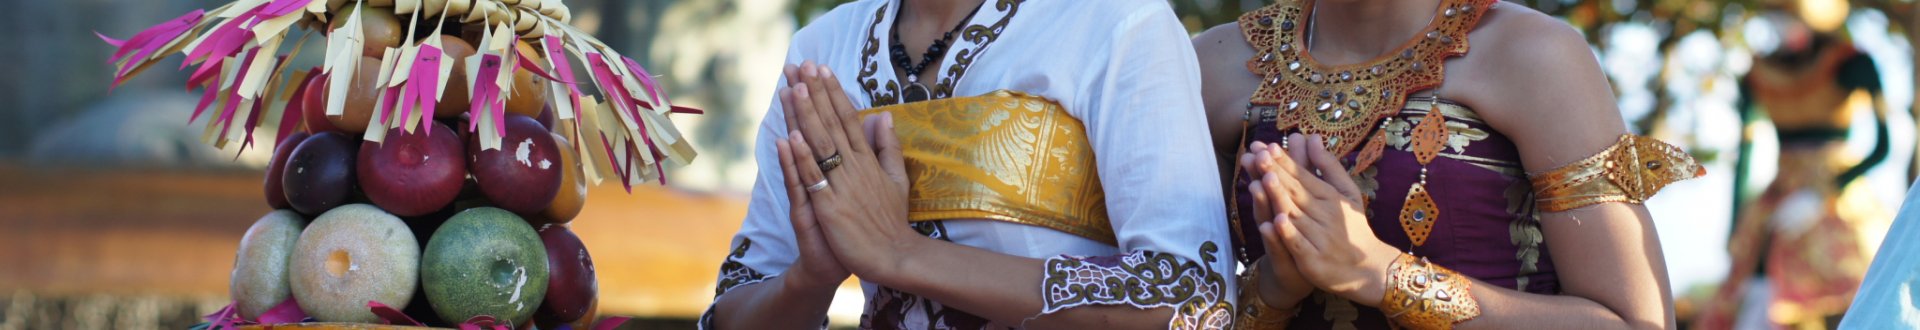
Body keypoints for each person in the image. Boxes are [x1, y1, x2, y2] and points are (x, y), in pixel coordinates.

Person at [700, 0, 1236, 328]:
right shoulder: (821, 48)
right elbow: (734, 309)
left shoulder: (1117, 22)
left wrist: (900, 253)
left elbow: (1191, 297)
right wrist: (809, 278)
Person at [1189, 0, 1704, 328]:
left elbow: (1635, 324)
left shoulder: (1534, 55)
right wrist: (1273, 286)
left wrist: (1384, 275)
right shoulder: (1209, 66)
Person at [1697, 9, 1896, 329]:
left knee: (1857, 290)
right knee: (1754, 294)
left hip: (1838, 196)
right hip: (1778, 196)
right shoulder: (1759, 73)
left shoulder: (1852, 63)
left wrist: (1824, 194)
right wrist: (1737, 225)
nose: (1781, 22)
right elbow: (1746, 151)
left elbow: (1883, 147)